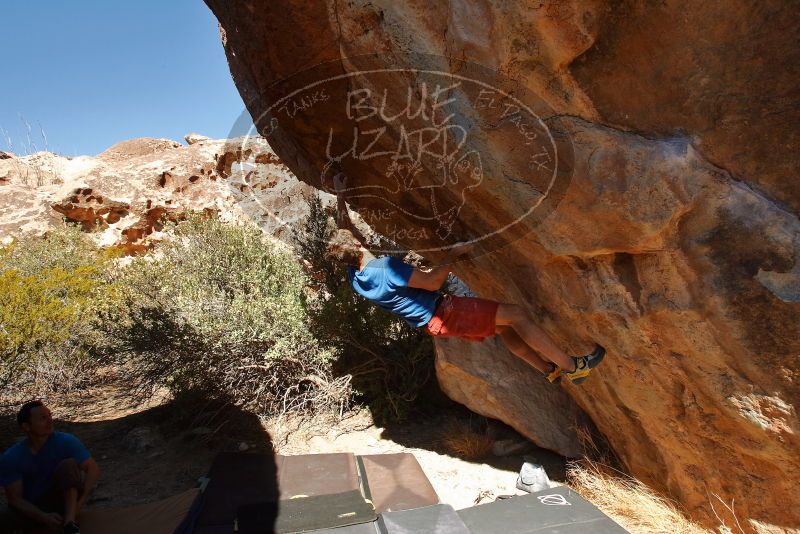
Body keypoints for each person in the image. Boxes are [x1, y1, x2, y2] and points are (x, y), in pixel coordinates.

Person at [327, 172, 605, 384]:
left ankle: (548, 371)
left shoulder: (356, 275)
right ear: (357, 246)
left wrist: (340, 194)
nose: (360, 235)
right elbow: (432, 282)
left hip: (436, 322)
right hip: (447, 313)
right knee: (518, 315)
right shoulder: (385, 269)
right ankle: (573, 368)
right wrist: (453, 255)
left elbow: (344, 227)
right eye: (357, 237)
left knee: (506, 327)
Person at [1, 400, 100, 534]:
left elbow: (92, 468)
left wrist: (79, 504)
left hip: (61, 500)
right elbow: (14, 498)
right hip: (32, 507)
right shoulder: (12, 457)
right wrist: (42, 516)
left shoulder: (65, 441)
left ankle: (70, 523)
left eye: (49, 416)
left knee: (69, 465)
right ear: (26, 426)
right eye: (43, 418)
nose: (49, 421)